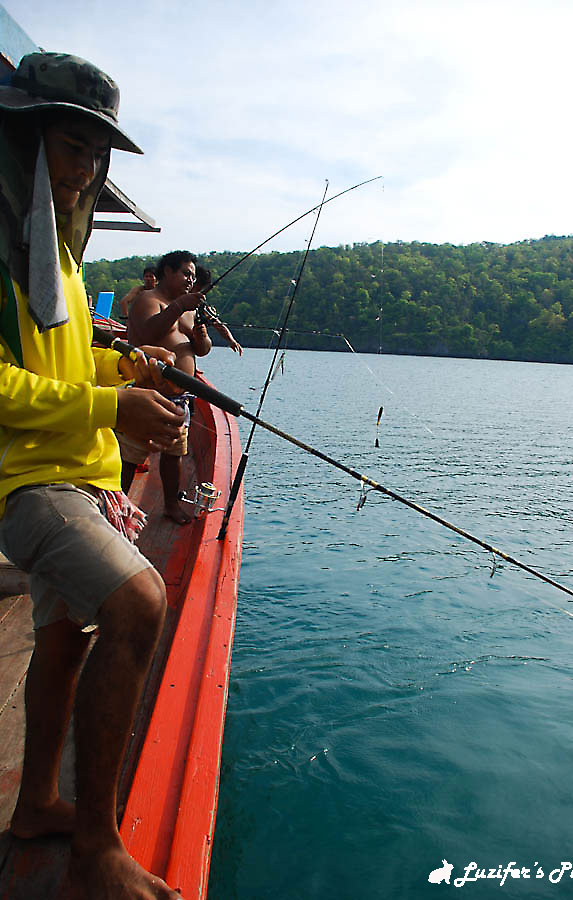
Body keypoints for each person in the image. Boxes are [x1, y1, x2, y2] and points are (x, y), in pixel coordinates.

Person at [0, 52, 186, 900]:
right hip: (27, 484)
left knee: (64, 639)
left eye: (94, 155)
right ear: (24, 140)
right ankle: (95, 851)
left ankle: (38, 801)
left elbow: (67, 372)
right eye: (70, 148)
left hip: (77, 472)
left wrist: (125, 376)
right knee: (138, 602)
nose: (83, 171)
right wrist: (111, 412)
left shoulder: (61, 257)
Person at [124, 253, 242, 523]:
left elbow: (202, 350)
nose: (191, 280)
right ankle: (118, 506)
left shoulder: (188, 309)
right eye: (186, 274)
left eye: (192, 275)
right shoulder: (147, 300)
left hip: (180, 398)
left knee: (174, 453)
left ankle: (171, 506)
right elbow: (148, 333)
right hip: (148, 392)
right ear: (167, 271)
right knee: (131, 454)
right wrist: (178, 306)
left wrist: (201, 337)